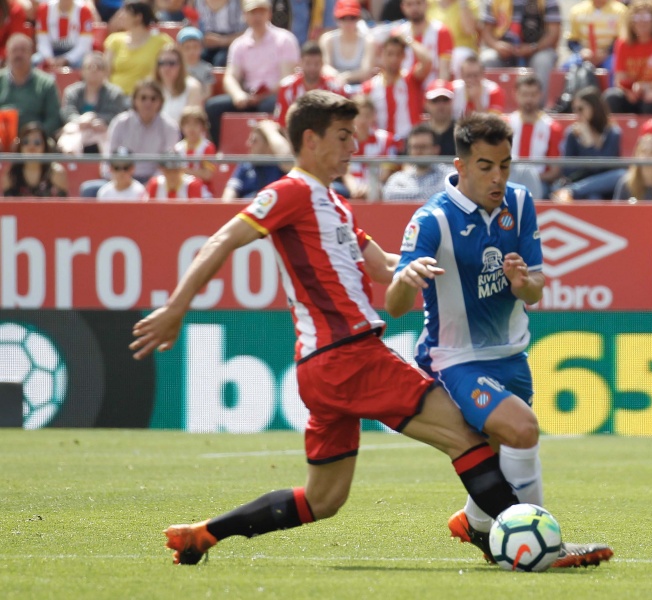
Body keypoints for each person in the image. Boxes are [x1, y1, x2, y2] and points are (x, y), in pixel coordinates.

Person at [130, 89, 526, 566]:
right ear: (311, 140)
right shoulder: (291, 192)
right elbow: (222, 240)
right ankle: (526, 542)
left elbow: (384, 267)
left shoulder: (335, 205)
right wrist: (176, 308)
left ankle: (204, 534)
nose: (353, 147)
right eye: (343, 136)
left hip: (325, 367)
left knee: (324, 499)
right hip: (348, 354)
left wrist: (444, 264)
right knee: (464, 434)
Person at [384, 111, 613, 569]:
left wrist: (522, 282)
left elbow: (535, 290)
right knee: (522, 429)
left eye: (505, 165)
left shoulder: (520, 203)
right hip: (455, 358)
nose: (498, 177)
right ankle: (547, 545)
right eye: (486, 166)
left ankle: (474, 523)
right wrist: (406, 280)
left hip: (511, 354)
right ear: (461, 166)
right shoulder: (432, 220)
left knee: (496, 450)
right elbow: (393, 306)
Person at [204, 0, 300, 145]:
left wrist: (264, 94)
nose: (257, 17)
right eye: (253, 13)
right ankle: (222, 151)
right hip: (248, 96)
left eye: (261, 12)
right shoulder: (239, 44)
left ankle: (279, 147)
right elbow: (230, 77)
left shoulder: (284, 39)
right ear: (244, 15)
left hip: (273, 95)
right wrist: (238, 94)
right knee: (213, 107)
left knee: (270, 106)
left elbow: (287, 78)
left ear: (269, 14)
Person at [552, 86, 625, 202]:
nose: (577, 114)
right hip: (582, 180)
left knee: (621, 175)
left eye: (581, 109)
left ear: (594, 107)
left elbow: (604, 167)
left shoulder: (612, 132)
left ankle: (572, 191)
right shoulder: (572, 133)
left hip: (606, 183)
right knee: (594, 197)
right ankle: (574, 191)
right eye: (574, 109)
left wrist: (589, 144)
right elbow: (567, 169)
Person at [479, 0, 561, 100]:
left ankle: (539, 105)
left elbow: (553, 34)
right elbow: (486, 32)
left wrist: (533, 47)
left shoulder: (548, 2)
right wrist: (496, 45)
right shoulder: (494, 1)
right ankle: (490, 104)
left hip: (537, 50)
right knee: (487, 59)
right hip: (504, 51)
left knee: (543, 60)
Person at [603, 0, 652, 114]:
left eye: (646, 17)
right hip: (630, 94)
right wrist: (629, 91)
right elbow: (620, 79)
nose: (641, 22)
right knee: (612, 97)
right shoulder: (622, 44)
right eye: (636, 17)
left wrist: (644, 87)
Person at [106, 79, 182, 183]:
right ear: (135, 100)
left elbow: (168, 163)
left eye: (153, 99)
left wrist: (151, 186)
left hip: (156, 182)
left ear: (160, 102)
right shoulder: (120, 123)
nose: (148, 103)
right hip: (122, 180)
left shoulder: (170, 127)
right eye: (143, 98)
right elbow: (109, 157)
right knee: (90, 189)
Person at [361, 34, 431, 144]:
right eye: (390, 54)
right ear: (382, 55)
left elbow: (427, 61)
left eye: (398, 54)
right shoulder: (369, 87)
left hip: (410, 143)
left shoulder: (411, 79)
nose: (394, 59)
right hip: (384, 146)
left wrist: (408, 40)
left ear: (403, 56)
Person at [58, 51, 129, 154]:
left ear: (106, 72)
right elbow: (68, 112)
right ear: (82, 71)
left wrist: (95, 119)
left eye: (99, 67)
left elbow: (115, 115)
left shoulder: (115, 93)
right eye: (89, 67)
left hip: (104, 133)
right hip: (76, 131)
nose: (93, 70)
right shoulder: (71, 92)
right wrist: (81, 121)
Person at [506, 73, 563, 198]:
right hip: (508, 180)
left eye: (533, 95)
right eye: (525, 94)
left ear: (540, 95)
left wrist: (529, 178)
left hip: (539, 182)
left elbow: (555, 171)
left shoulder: (552, 127)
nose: (529, 99)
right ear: (515, 94)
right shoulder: (505, 124)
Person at [104, 0, 175, 95]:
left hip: (148, 97)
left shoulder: (162, 42)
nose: (120, 16)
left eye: (125, 12)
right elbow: (105, 72)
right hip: (116, 97)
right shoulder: (114, 40)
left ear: (138, 17)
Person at [0, 34, 63, 138]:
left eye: (23, 50)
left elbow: (54, 119)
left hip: (36, 141)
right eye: (14, 50)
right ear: (7, 53)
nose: (18, 54)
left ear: (32, 53)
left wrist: (34, 138)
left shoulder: (46, 83)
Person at [273, 41, 344, 128]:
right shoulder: (287, 88)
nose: (312, 68)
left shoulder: (334, 88)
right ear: (300, 63)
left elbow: (341, 121)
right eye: (308, 63)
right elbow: (282, 123)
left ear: (322, 63)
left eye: (316, 64)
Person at [220, 118, 291, 201]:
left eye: (254, 141)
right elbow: (228, 197)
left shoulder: (280, 166)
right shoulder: (245, 165)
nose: (248, 144)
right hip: (247, 206)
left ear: (269, 145)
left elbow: (289, 161)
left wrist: (270, 131)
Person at [342, 94, 396, 200]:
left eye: (367, 115)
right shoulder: (343, 140)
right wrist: (354, 189)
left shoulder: (387, 139)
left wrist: (371, 188)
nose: (362, 120)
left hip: (379, 186)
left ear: (374, 116)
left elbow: (387, 171)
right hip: (352, 187)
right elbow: (345, 171)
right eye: (358, 115)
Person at [382, 122, 451, 201]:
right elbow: (388, 196)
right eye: (414, 147)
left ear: (436, 149)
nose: (418, 152)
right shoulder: (398, 179)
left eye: (423, 147)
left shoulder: (448, 176)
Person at [318, 0, 376, 88]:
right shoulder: (327, 40)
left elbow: (366, 71)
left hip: (360, 89)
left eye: (352, 18)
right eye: (343, 18)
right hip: (333, 87)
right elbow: (325, 67)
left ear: (359, 19)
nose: (348, 23)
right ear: (336, 19)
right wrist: (338, 78)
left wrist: (345, 77)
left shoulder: (368, 41)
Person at [396, 0, 453, 85]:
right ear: (403, 7)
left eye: (418, 3)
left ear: (427, 4)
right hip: (405, 87)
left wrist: (440, 90)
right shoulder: (398, 33)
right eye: (409, 4)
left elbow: (444, 72)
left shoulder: (441, 31)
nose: (414, 8)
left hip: (433, 86)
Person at [3, 121, 68, 197]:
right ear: (20, 146)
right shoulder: (11, 174)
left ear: (45, 146)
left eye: (37, 142)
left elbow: (63, 202)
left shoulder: (56, 172)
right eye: (26, 142)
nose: (31, 146)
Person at [565, 0, 628, 72]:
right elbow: (572, 40)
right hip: (584, 55)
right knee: (566, 68)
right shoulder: (577, 11)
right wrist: (581, 51)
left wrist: (606, 52)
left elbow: (622, 39)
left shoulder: (621, 11)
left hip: (610, 55)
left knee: (615, 68)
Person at [34, 0, 95, 69]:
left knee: (84, 63)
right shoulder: (45, 9)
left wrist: (67, 59)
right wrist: (49, 58)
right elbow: (42, 41)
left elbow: (84, 45)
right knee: (34, 61)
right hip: (52, 51)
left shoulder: (84, 10)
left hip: (75, 53)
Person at [154, 43, 204, 125]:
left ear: (181, 65)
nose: (166, 68)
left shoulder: (192, 87)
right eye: (162, 63)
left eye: (172, 63)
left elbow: (192, 122)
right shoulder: (151, 88)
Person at [174, 105, 217, 193]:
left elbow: (208, 175)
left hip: (203, 190)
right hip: (182, 190)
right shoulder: (177, 148)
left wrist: (185, 171)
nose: (191, 128)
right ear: (182, 126)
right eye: (187, 124)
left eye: (196, 124)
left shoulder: (207, 147)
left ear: (203, 126)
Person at [450, 54, 506, 119]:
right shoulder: (452, 89)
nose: (472, 80)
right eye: (468, 76)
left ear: (483, 74)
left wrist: (476, 100)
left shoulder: (494, 91)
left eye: (475, 75)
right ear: (462, 75)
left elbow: (492, 122)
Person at [195, 0, 247, 67]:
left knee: (220, 61)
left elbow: (247, 32)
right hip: (205, 43)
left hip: (232, 43)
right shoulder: (198, 2)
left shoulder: (239, 2)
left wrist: (222, 41)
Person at [143, 152, 213, 200]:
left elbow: (196, 212)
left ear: (182, 169)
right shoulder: (155, 184)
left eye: (176, 171)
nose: (172, 175)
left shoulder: (192, 184)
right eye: (168, 172)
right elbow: (150, 210)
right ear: (162, 170)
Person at [176, 26, 215, 101]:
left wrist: (193, 100)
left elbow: (207, 93)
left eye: (195, 47)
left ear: (201, 48)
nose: (192, 52)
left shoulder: (206, 68)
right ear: (180, 49)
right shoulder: (175, 67)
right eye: (187, 48)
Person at [424, 79, 455, 155]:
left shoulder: (462, 132)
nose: (441, 105)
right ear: (426, 104)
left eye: (445, 100)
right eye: (435, 100)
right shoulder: (419, 133)